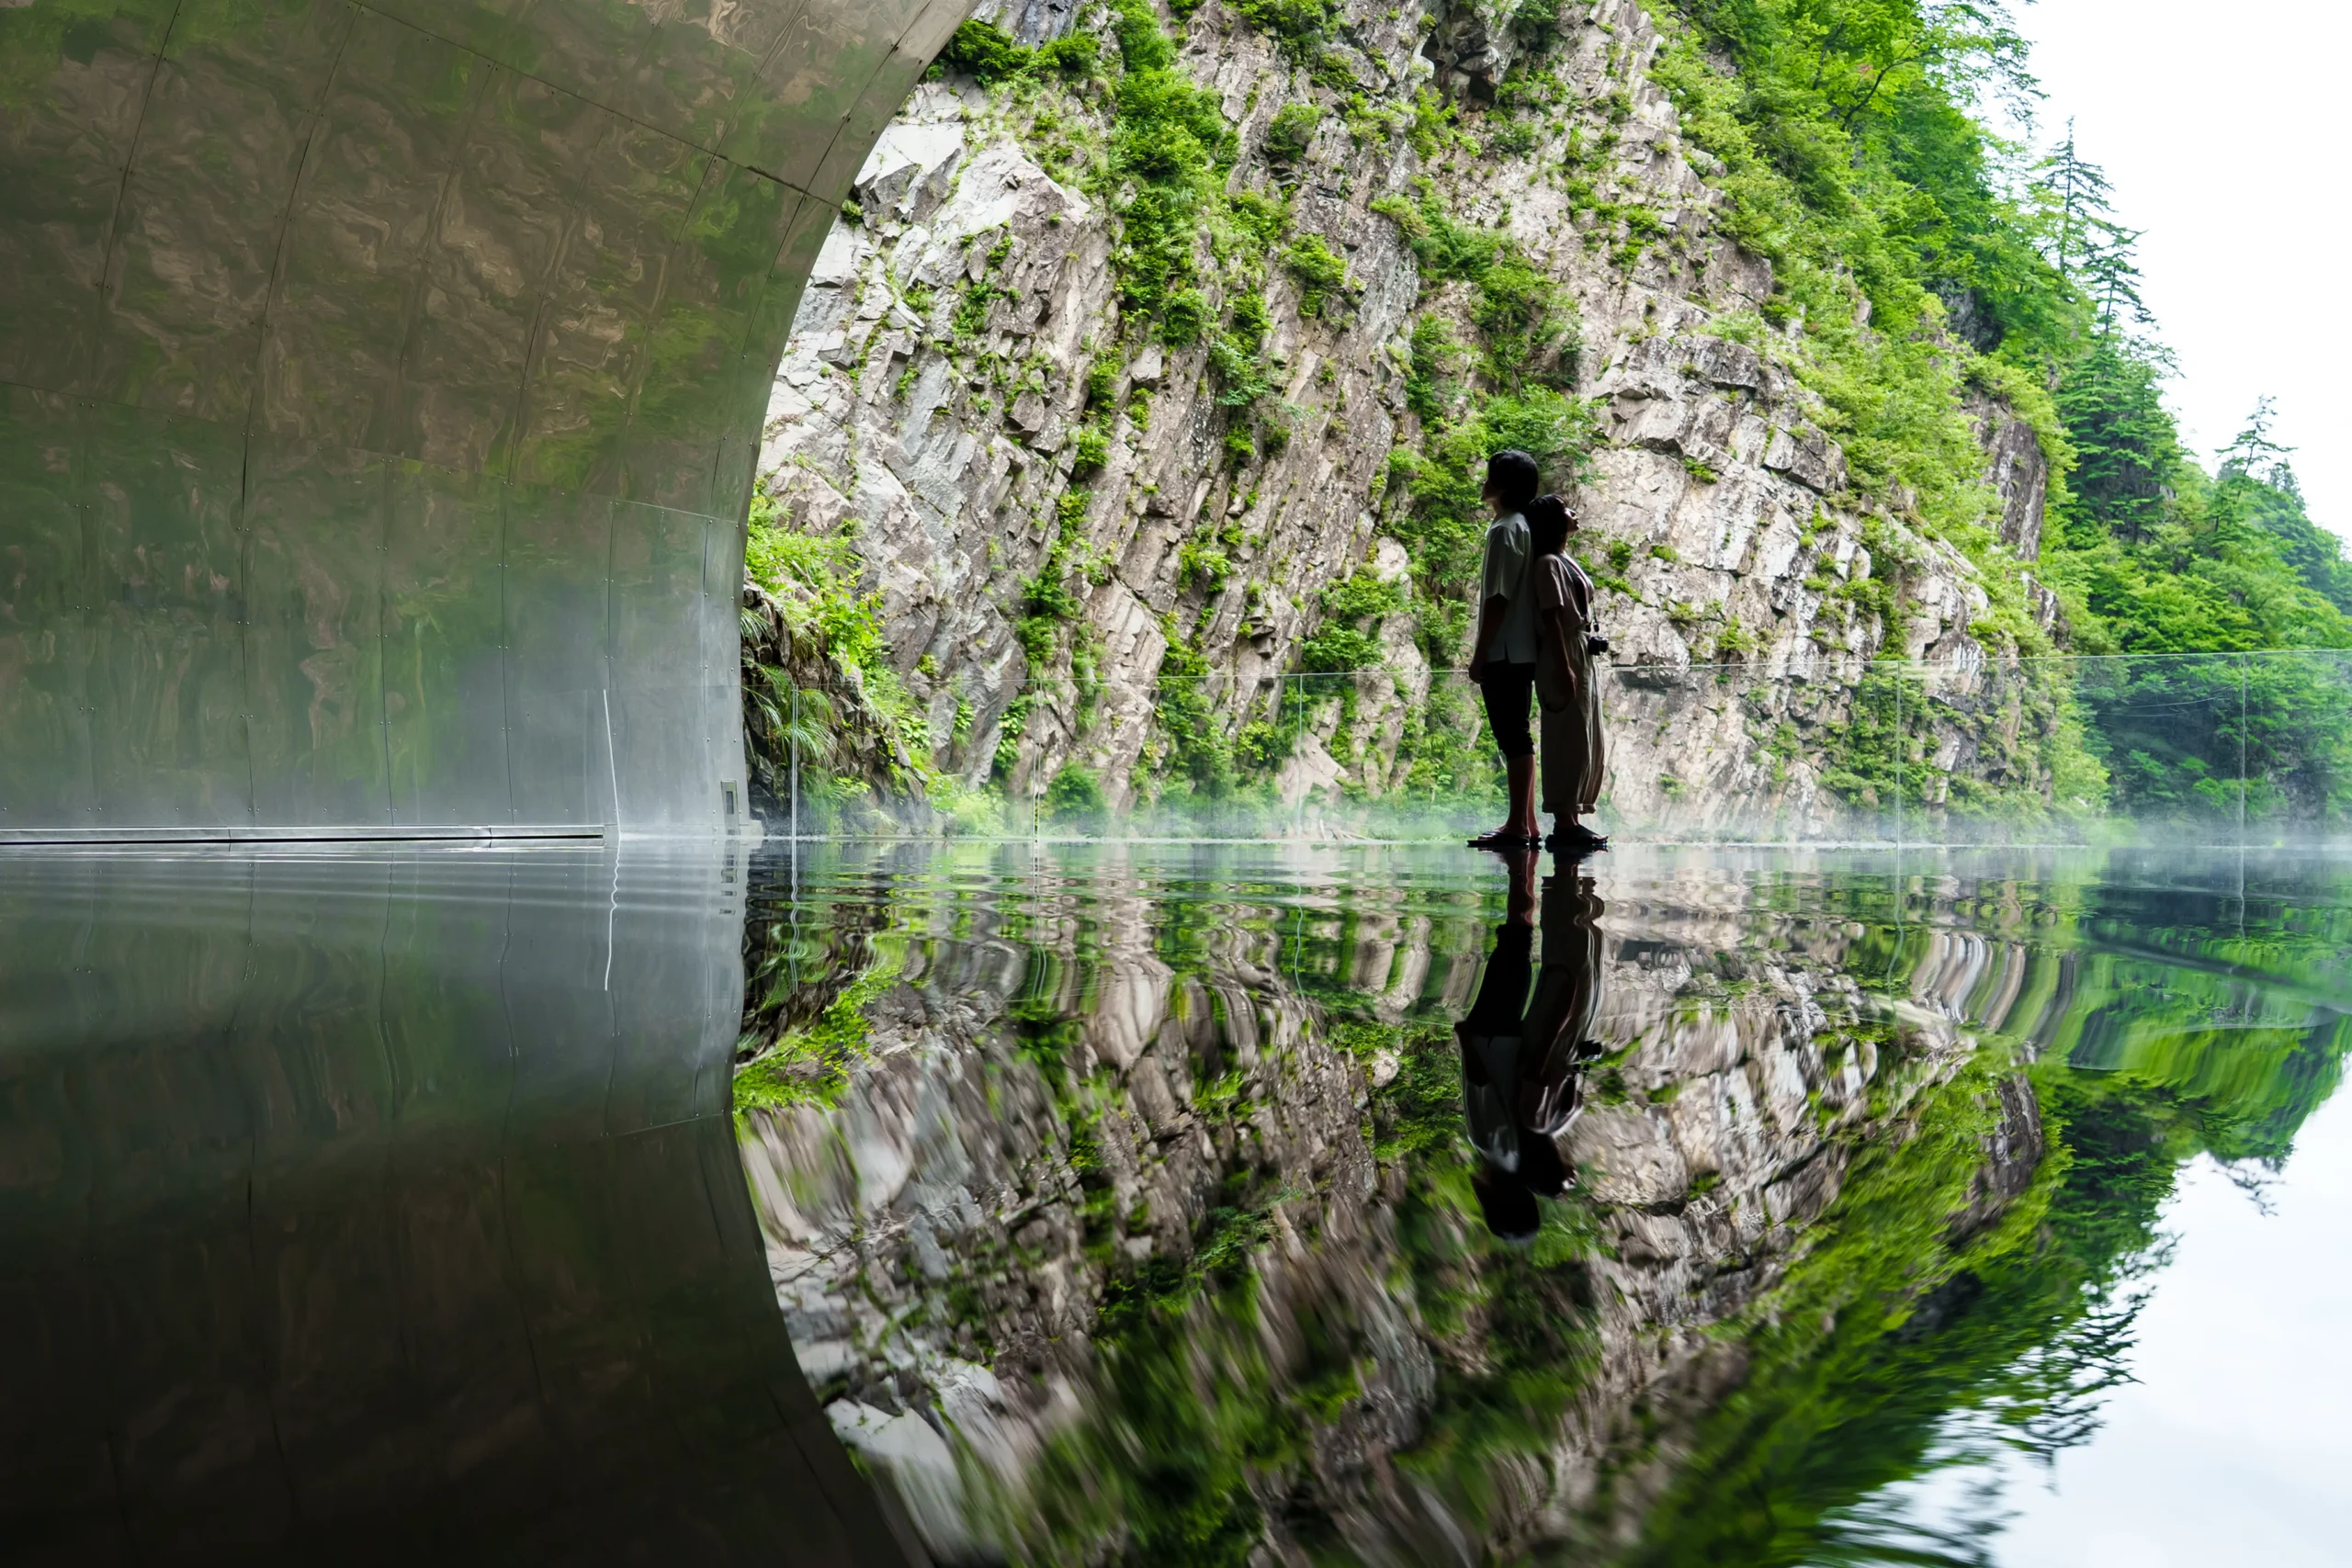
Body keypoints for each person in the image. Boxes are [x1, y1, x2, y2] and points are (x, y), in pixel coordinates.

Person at [1466, 451, 1544, 850]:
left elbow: (1497, 598)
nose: (1484, 481)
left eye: (1490, 475)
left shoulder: (1504, 531)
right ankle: (1526, 822)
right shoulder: (1522, 527)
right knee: (1519, 735)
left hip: (1504, 651)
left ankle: (1517, 823)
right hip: (1522, 649)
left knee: (1511, 736)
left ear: (1503, 486)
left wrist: (1480, 653)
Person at [1526, 494, 1609, 853]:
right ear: (1552, 521)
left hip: (1578, 650)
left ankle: (1573, 817)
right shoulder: (1547, 563)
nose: (1574, 512)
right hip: (1563, 652)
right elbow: (1550, 617)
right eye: (1565, 510)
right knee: (1566, 734)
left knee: (1583, 734)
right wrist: (1563, 665)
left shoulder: (1562, 559)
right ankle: (1563, 821)